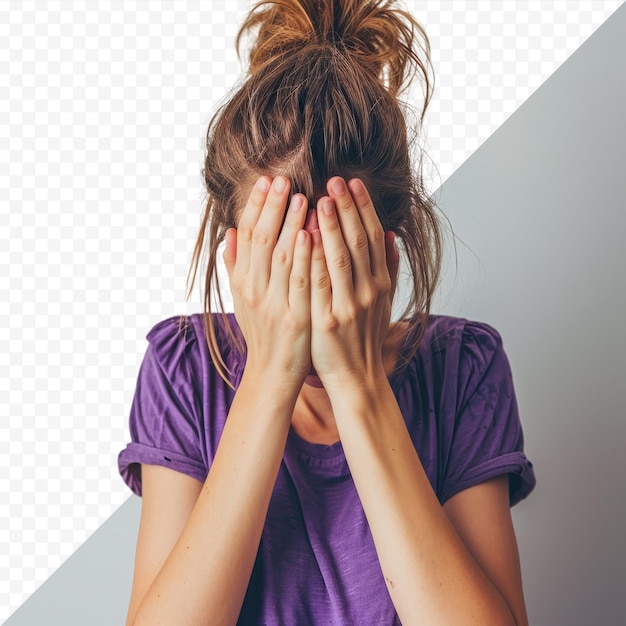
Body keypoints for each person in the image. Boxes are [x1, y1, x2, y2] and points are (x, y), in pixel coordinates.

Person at [118, 1, 537, 624]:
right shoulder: (185, 370)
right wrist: (267, 378)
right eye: (280, 268)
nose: (312, 314)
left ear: (386, 255)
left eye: (337, 266)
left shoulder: (462, 370)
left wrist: (358, 385)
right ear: (236, 258)